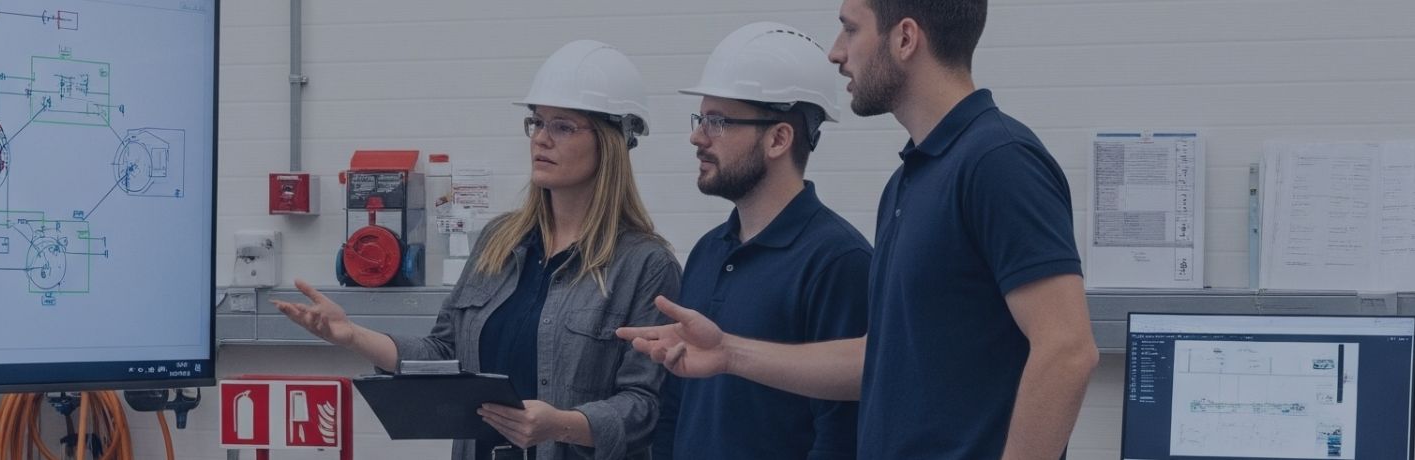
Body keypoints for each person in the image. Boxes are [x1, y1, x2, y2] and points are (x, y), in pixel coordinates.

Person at [618, 1, 1099, 458]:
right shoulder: (910, 180)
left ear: (905, 38)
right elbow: (883, 359)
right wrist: (729, 352)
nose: (836, 52)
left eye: (850, 28)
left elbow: (1067, 350)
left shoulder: (998, 160)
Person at [274, 40, 681, 460]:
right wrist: (350, 335)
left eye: (563, 126)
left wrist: (560, 424)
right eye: (536, 123)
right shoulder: (499, 242)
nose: (541, 139)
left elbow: (647, 406)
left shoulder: (645, 264)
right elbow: (443, 354)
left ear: (611, 143)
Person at [650, 22, 869, 460]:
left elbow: (842, 433)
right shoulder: (709, 251)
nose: (697, 136)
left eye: (718, 122)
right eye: (701, 119)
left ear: (778, 138)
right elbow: (677, 403)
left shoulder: (839, 261)